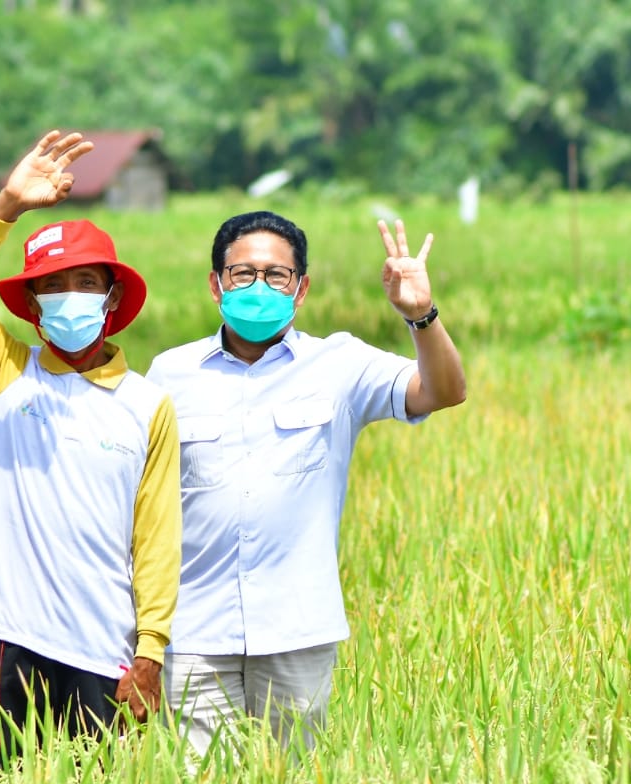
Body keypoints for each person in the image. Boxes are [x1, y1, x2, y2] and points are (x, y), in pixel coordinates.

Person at [146, 212, 467, 754]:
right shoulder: (170, 374)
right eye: (243, 273)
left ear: (301, 289)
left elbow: (444, 391)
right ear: (215, 283)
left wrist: (422, 317)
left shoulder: (338, 363)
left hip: (297, 629)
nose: (259, 286)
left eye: (277, 276)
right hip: (194, 632)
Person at [0, 130, 180, 758]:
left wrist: (150, 652)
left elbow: (156, 537)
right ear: (33, 305)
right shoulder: (0, 375)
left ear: (113, 297)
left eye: (87, 283)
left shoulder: (147, 405)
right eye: (54, 287)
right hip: (6, 645)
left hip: (106, 654)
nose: (72, 299)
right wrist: (6, 207)